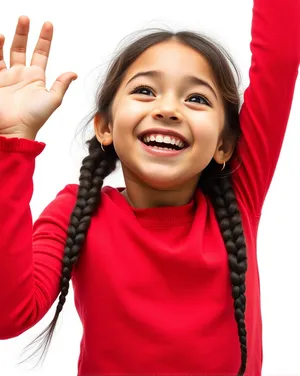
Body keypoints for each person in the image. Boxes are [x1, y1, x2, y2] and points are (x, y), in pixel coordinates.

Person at [0, 0, 299, 375]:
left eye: (196, 98)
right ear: (105, 127)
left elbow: (281, 58)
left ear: (224, 145)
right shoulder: (76, 211)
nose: (168, 109)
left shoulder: (241, 195)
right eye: (145, 91)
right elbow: (8, 316)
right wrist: (11, 146)